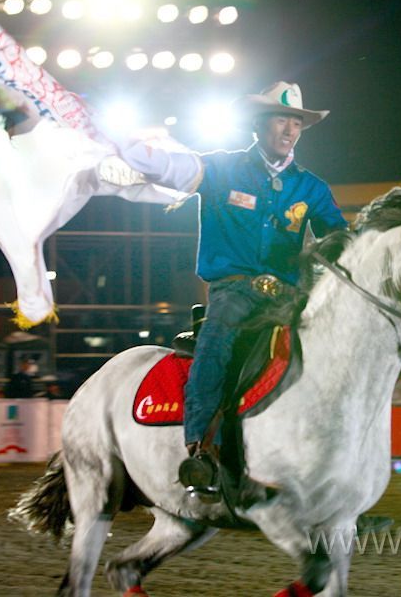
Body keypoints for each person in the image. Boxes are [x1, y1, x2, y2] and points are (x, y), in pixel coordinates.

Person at [113, 81, 348, 496]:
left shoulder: (313, 188)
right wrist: (131, 148)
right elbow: (173, 169)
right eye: (282, 120)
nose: (290, 130)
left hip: (288, 297)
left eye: (296, 123)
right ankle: (201, 447)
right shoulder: (220, 169)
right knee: (217, 342)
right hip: (232, 291)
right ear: (259, 125)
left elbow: (340, 239)